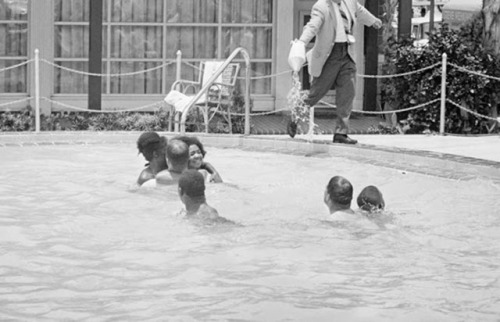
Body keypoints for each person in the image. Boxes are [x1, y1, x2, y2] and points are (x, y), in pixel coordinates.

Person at [289, 0, 382, 144]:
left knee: (348, 93)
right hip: (329, 55)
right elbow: (312, 26)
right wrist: (301, 42)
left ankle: (341, 133)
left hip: (348, 52)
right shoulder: (321, 6)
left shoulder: (350, 2)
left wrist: (373, 21)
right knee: (317, 92)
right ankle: (296, 114)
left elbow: (360, 11)